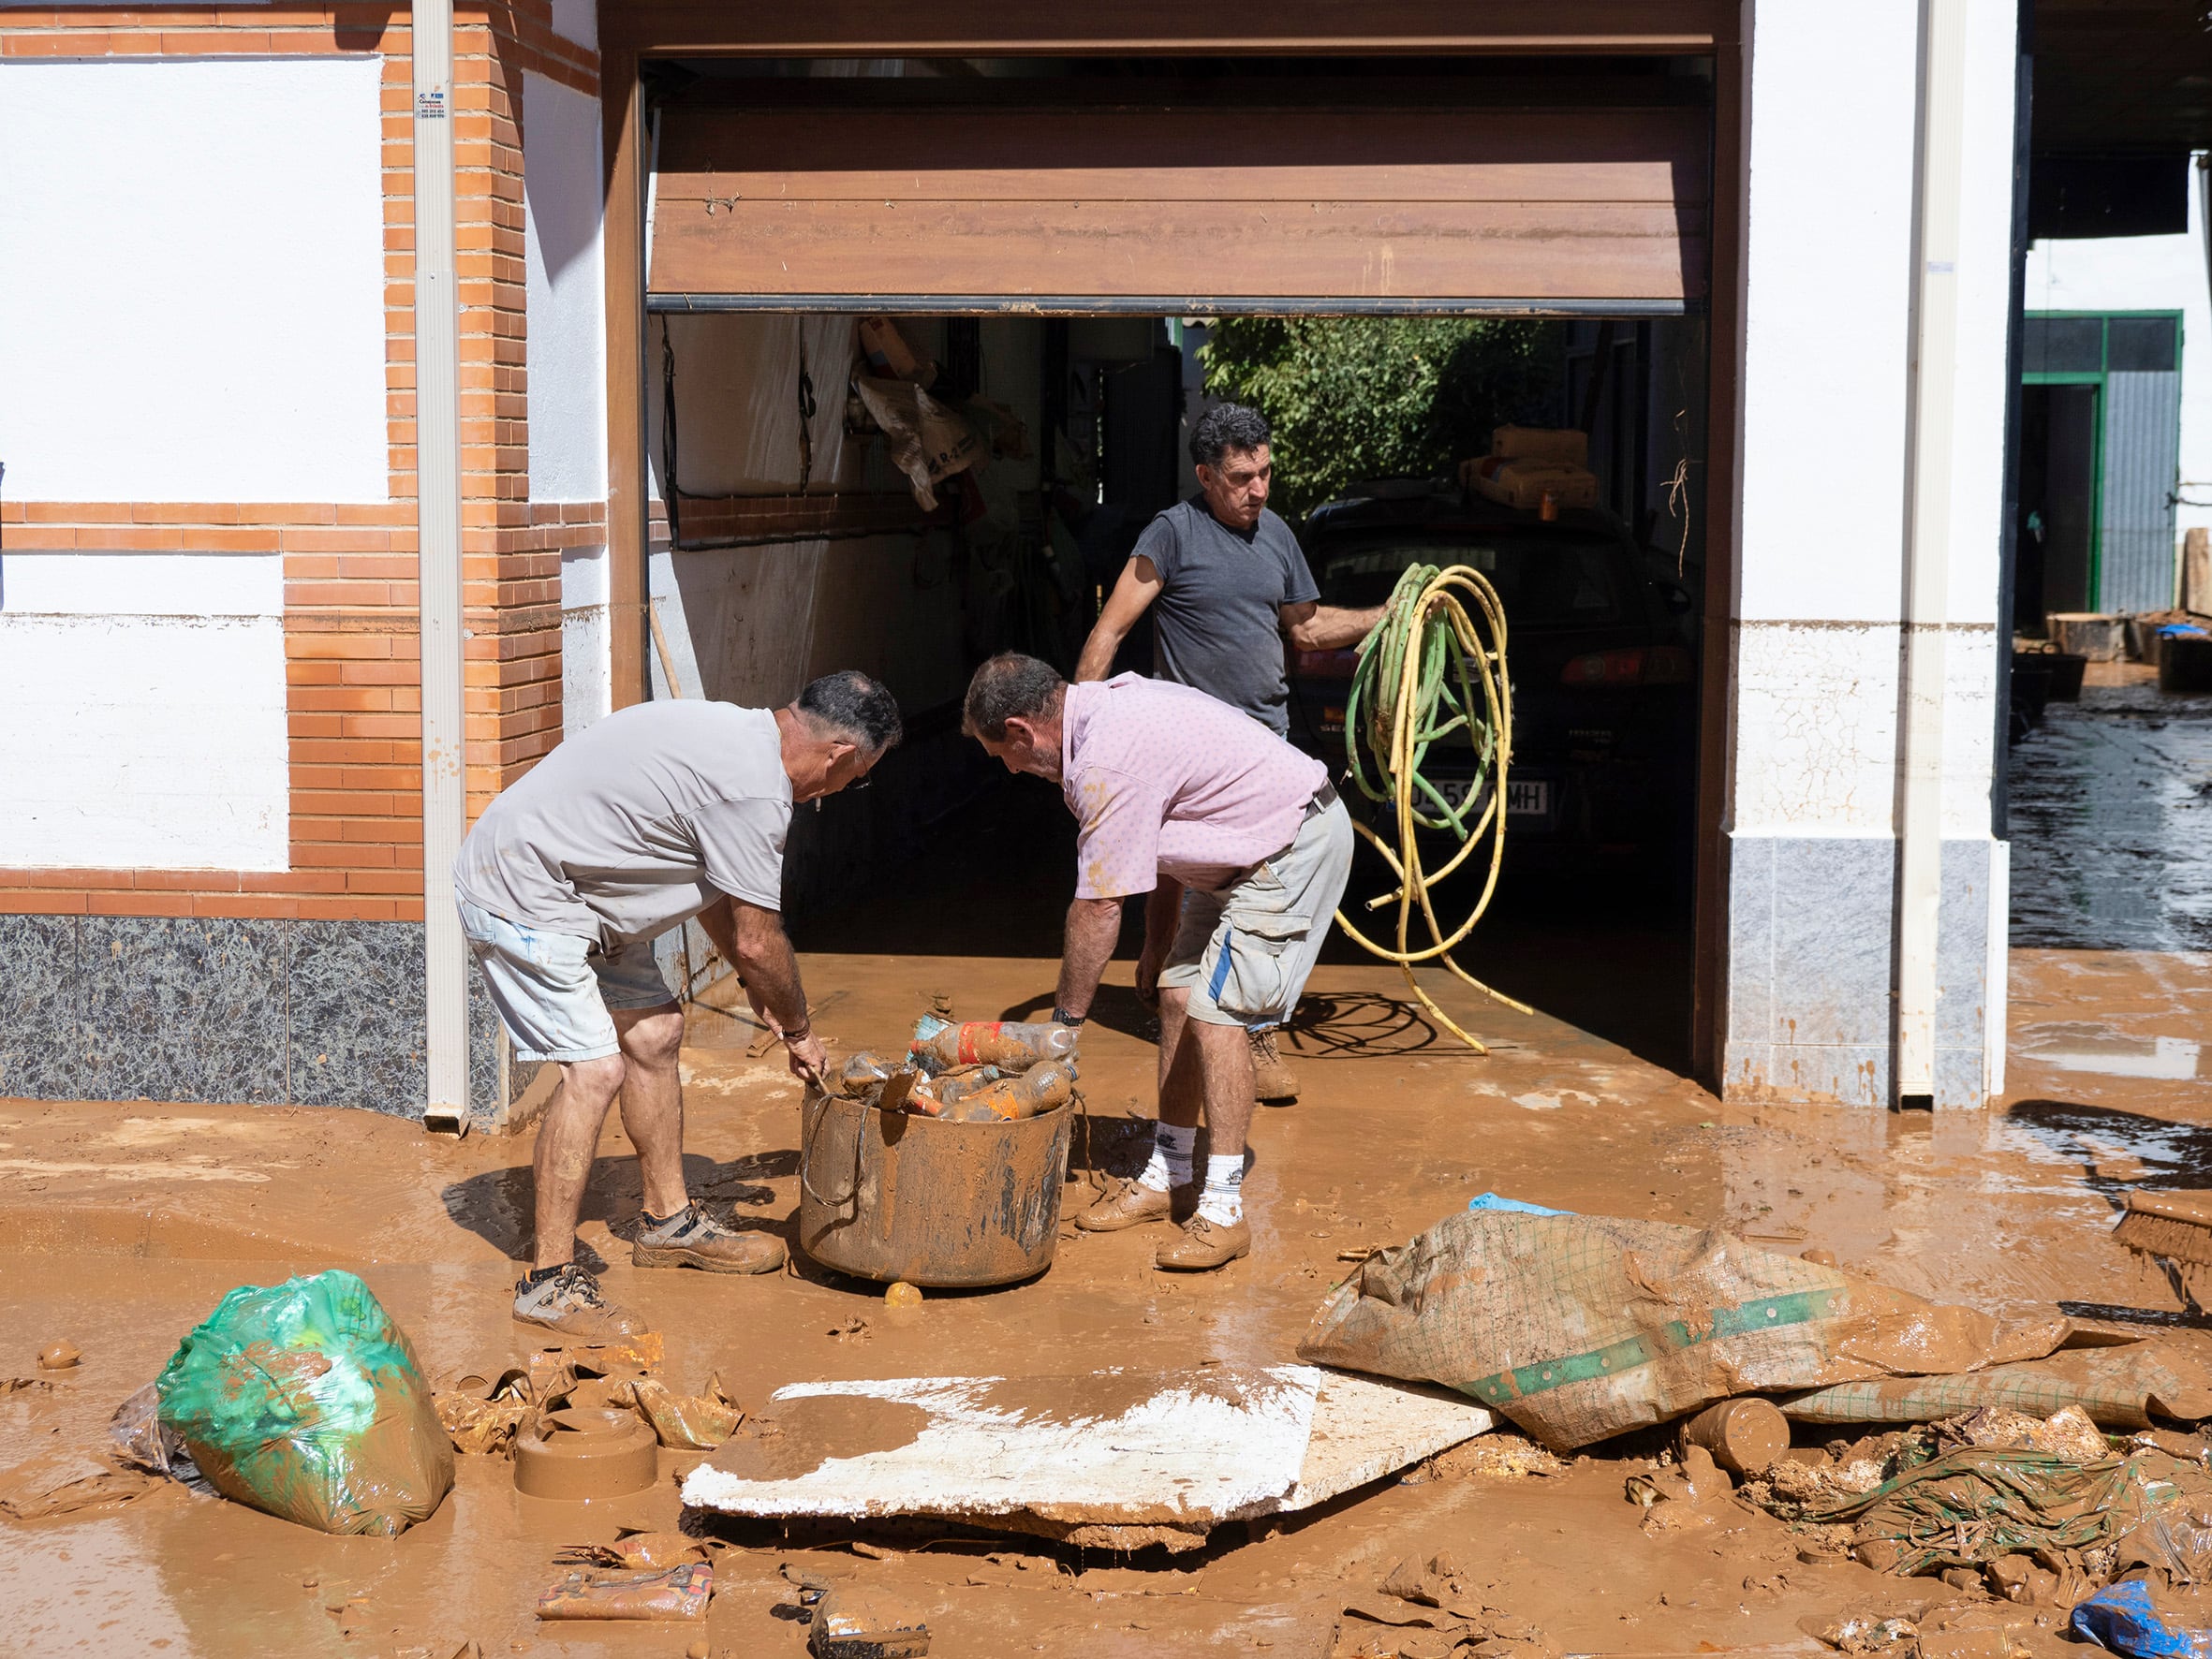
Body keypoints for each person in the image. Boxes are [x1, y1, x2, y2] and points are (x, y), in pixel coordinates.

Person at [453, 670, 903, 1338]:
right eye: (855, 778)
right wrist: (800, 1028)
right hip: (523, 889)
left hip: (587, 891)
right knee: (595, 1069)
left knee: (657, 1032)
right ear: (838, 754)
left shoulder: (741, 736)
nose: (839, 793)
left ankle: (668, 1224)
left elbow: (724, 897)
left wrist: (761, 996)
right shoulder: (755, 791)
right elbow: (756, 940)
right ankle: (548, 1283)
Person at [963, 653, 1353, 1271]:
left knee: (1216, 1013)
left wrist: (1064, 1028)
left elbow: (1096, 909)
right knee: (1176, 993)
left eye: (1001, 755)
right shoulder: (1098, 718)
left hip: (1286, 844)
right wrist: (1158, 941)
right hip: (1224, 847)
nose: (1010, 770)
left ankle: (1224, 1211)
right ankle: (1168, 1171)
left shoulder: (1103, 761)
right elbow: (1160, 826)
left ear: (1020, 731)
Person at [1073, 403, 1382, 1105]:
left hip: (1264, 750)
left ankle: (1250, 1022)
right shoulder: (1172, 534)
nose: (1260, 490)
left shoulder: (1277, 535)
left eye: (1267, 472)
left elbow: (1306, 629)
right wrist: (1079, 737)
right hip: (1185, 753)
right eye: (1243, 478)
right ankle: (1170, 977)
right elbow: (1110, 629)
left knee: (1258, 888)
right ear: (1206, 474)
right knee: (1183, 878)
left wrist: (1384, 614)